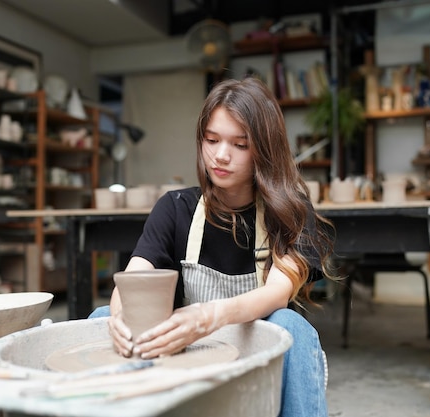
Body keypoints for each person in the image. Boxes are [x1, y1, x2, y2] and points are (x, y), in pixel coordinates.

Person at [89, 77, 336, 417]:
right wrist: (120, 315)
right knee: (101, 317)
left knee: (292, 326)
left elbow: (279, 292)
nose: (221, 155)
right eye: (212, 140)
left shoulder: (291, 213)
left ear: (264, 148)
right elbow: (135, 277)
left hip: (257, 361)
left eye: (240, 144)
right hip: (186, 356)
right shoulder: (176, 208)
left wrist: (207, 316)